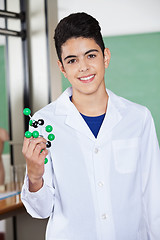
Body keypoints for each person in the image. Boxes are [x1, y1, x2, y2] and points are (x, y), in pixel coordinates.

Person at [21, 12, 160, 240]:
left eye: (91, 55)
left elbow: (154, 199)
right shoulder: (44, 123)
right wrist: (35, 177)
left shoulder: (138, 118)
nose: (83, 67)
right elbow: (40, 211)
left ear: (105, 57)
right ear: (62, 68)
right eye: (72, 60)